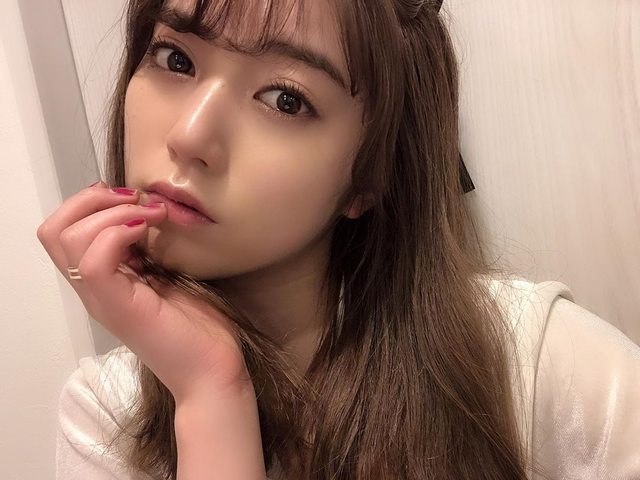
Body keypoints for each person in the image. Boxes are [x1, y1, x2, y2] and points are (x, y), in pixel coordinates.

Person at [37, 0, 640, 478]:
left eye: (286, 99)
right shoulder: (107, 414)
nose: (190, 136)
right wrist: (210, 395)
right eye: (175, 59)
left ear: (368, 178)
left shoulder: (534, 366)